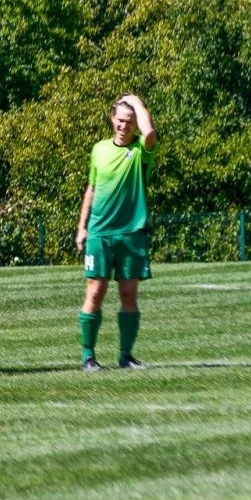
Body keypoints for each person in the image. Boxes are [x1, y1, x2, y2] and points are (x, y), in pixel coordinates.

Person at [75, 94, 157, 371]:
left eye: (129, 121)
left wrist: (136, 102)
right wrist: (81, 226)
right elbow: (92, 188)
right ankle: (89, 356)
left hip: (132, 233)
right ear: (112, 119)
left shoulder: (141, 152)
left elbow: (150, 132)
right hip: (100, 233)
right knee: (95, 293)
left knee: (128, 295)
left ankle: (126, 355)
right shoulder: (98, 149)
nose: (124, 126)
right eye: (120, 120)